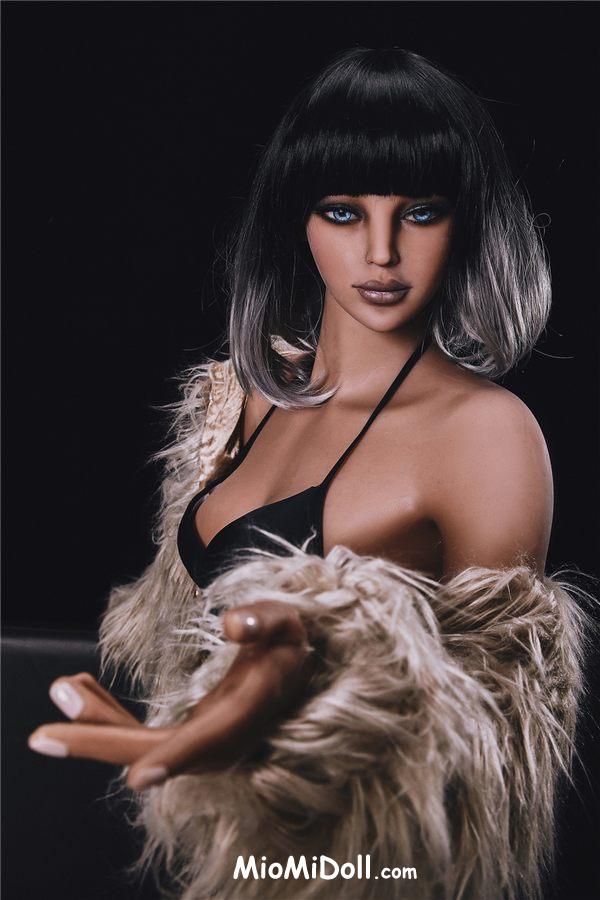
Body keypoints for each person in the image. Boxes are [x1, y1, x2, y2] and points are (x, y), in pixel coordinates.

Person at [27, 47, 595, 900]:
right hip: (207, 861)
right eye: (342, 211)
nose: (381, 252)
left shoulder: (486, 433)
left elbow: (490, 758)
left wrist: (311, 661)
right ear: (296, 219)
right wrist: (175, 748)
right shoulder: (240, 405)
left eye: (421, 212)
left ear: (467, 223)